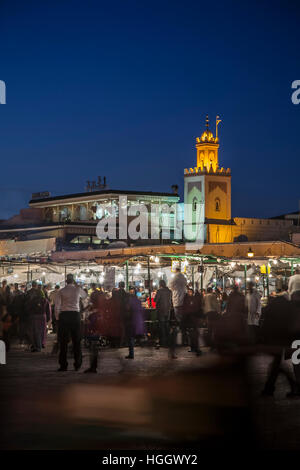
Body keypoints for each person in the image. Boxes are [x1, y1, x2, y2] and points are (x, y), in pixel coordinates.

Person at [55, 274, 87, 371]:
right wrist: (78, 286)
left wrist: (57, 318)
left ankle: (63, 365)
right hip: (75, 315)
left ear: (66, 281)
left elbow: (57, 307)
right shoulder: (77, 289)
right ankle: (77, 364)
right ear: (73, 281)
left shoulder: (61, 291)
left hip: (64, 316)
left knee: (63, 342)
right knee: (76, 341)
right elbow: (85, 296)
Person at [169, 267, 187, 356]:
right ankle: (184, 339)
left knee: (178, 320)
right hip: (183, 301)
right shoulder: (184, 277)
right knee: (182, 320)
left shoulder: (174, 277)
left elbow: (170, 286)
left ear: (175, 270)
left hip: (176, 301)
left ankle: (179, 338)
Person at [25, 281, 46, 352]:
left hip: (32, 314)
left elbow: (26, 304)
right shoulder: (40, 292)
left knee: (32, 331)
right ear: (36, 285)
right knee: (38, 331)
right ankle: (38, 346)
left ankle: (35, 346)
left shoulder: (28, 292)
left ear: (32, 285)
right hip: (40, 314)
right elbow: (45, 301)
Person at [124, 287, 145, 359]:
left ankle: (131, 354)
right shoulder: (138, 301)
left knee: (130, 338)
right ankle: (133, 352)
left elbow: (127, 310)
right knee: (134, 337)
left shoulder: (130, 301)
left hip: (132, 321)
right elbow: (142, 310)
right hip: (138, 321)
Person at [182, 288, 202, 356]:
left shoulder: (194, 299)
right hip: (189, 319)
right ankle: (192, 347)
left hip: (194, 319)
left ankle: (195, 347)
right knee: (191, 334)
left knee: (194, 334)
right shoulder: (186, 299)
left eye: (190, 291)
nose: (189, 293)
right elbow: (185, 308)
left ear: (192, 292)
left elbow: (196, 308)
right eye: (188, 292)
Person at [154, 280, 172, 348]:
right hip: (168, 310)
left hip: (161, 310)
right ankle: (168, 341)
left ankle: (163, 342)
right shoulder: (169, 291)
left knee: (162, 326)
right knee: (167, 325)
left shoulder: (159, 291)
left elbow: (156, 300)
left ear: (160, 284)